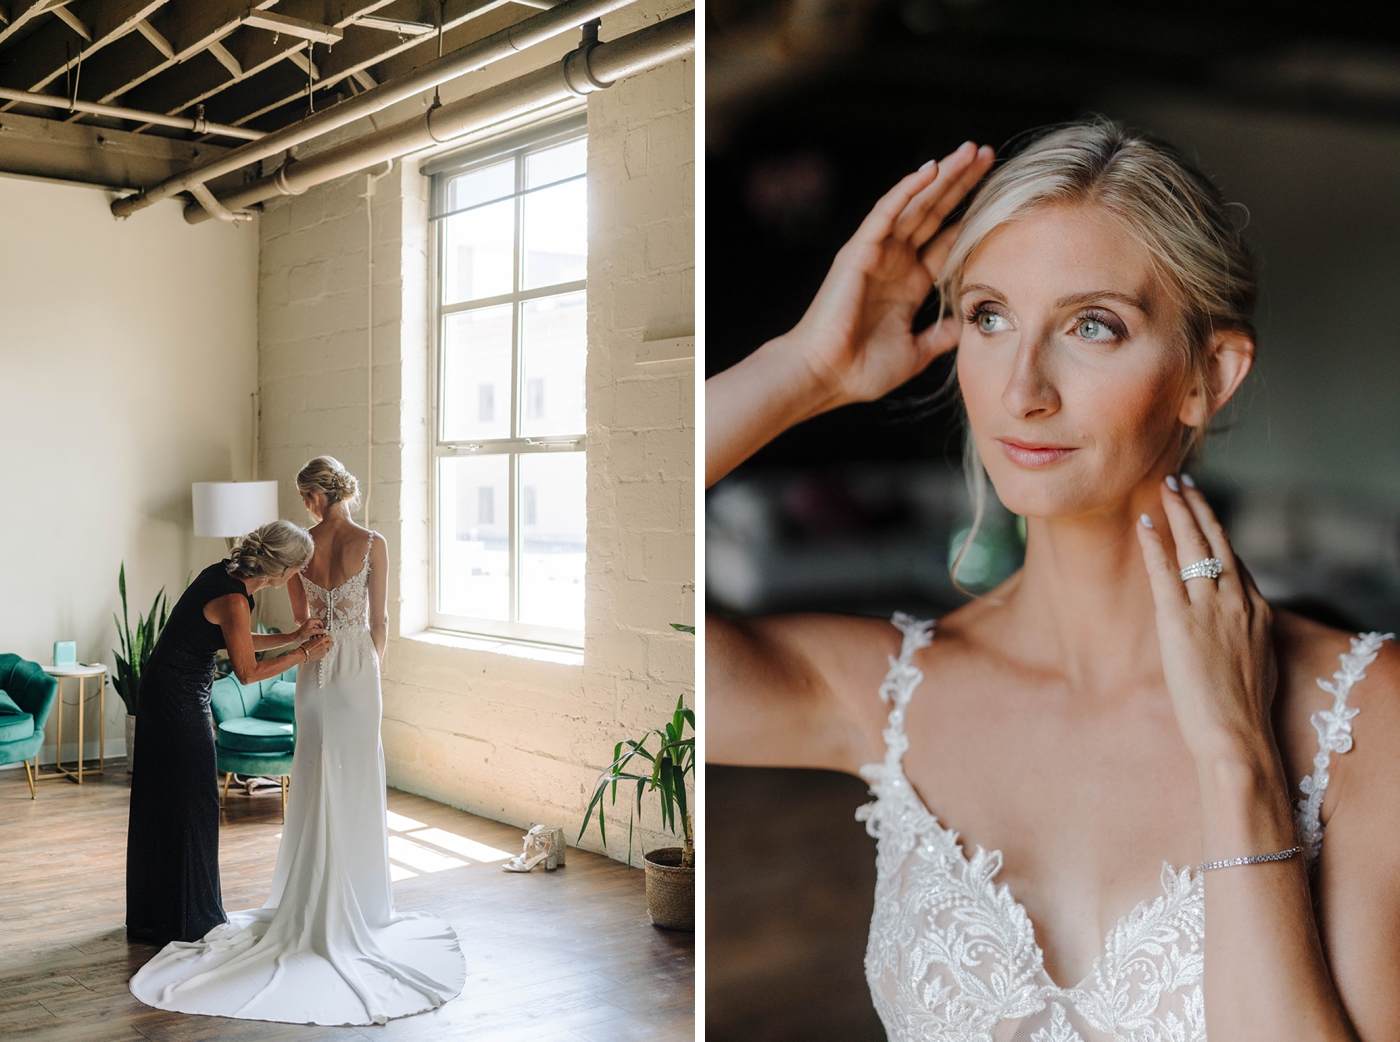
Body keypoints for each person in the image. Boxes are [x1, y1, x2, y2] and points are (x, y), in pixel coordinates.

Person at [707, 123, 1400, 1040]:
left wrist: (1238, 759)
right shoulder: (888, 692)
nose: (1021, 387)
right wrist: (807, 366)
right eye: (990, 317)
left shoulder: (1366, 713)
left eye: (1092, 326)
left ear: (1208, 376)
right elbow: (600, 562)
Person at [130, 457, 465, 1026]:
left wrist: (304, 650)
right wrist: (360, 667)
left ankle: (283, 900)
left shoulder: (293, 552)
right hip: (351, 669)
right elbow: (374, 623)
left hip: (313, 671)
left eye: (304, 495)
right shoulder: (367, 544)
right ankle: (347, 904)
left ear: (313, 495)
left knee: (311, 776)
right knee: (348, 777)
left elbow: (297, 625)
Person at [126, 520, 331, 947]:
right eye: (297, 569)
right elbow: (247, 670)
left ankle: (158, 916)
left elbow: (231, 639)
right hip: (178, 701)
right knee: (194, 800)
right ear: (280, 569)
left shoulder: (222, 574)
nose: (297, 576)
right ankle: (188, 919)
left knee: (169, 800)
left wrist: (292, 635)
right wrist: (303, 652)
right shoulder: (236, 599)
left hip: (167, 691)